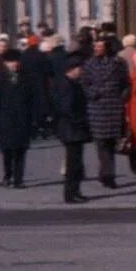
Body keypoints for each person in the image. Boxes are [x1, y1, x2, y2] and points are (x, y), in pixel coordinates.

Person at [81, 37, 129, 189]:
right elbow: (84, 84)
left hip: (113, 107)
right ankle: (108, 175)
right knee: (101, 143)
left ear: (107, 48)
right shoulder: (89, 64)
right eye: (95, 46)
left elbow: (126, 84)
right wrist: (94, 93)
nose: (97, 49)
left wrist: (121, 98)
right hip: (97, 108)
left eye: (100, 46)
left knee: (110, 143)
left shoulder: (118, 63)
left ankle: (105, 174)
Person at [52, 54, 93, 204]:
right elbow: (67, 108)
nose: (81, 71)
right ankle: (70, 193)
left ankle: (76, 190)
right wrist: (81, 121)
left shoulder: (70, 83)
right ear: (72, 70)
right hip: (71, 129)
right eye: (79, 69)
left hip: (72, 128)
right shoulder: (67, 85)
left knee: (76, 162)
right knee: (73, 163)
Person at [0, 49, 34, 188]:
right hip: (5, 119)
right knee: (7, 151)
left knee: (21, 150)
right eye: (11, 62)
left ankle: (18, 179)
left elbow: (32, 99)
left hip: (22, 119)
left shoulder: (26, 77)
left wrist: (34, 118)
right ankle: (8, 175)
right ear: (6, 63)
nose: (14, 64)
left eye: (16, 61)